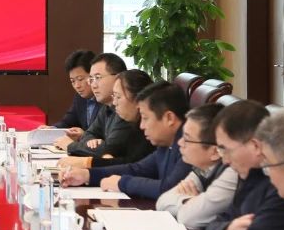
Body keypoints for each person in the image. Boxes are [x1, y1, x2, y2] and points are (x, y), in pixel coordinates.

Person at [203, 101, 284, 230]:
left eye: (225, 149)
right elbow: (215, 223)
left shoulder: (282, 186)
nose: (224, 161)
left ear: (255, 146)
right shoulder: (249, 175)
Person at [60, 82, 190, 200]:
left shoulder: (190, 145)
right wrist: (87, 175)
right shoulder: (166, 144)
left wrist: (121, 183)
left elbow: (170, 189)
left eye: (145, 118)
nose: (142, 126)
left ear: (169, 118)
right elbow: (136, 169)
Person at [155, 104, 237, 229]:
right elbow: (162, 201)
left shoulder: (231, 173)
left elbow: (188, 218)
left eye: (187, 139)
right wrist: (189, 201)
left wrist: (194, 205)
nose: (179, 143)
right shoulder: (203, 168)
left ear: (215, 152)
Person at [57, 69, 154, 168]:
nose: (114, 102)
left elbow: (132, 165)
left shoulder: (143, 128)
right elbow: (123, 161)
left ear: (138, 99)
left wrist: (86, 161)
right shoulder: (111, 109)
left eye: (118, 97)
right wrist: (93, 143)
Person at [65, 52, 126, 154]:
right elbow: (88, 134)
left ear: (118, 78)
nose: (93, 85)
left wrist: (70, 146)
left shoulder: (126, 108)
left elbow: (110, 149)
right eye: (91, 79)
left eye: (97, 78)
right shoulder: (107, 106)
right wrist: (91, 141)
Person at [54, 49, 100, 140]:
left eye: (80, 79)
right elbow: (67, 122)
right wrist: (50, 129)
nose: (77, 86)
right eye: (73, 81)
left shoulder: (106, 99)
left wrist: (84, 136)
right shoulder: (80, 98)